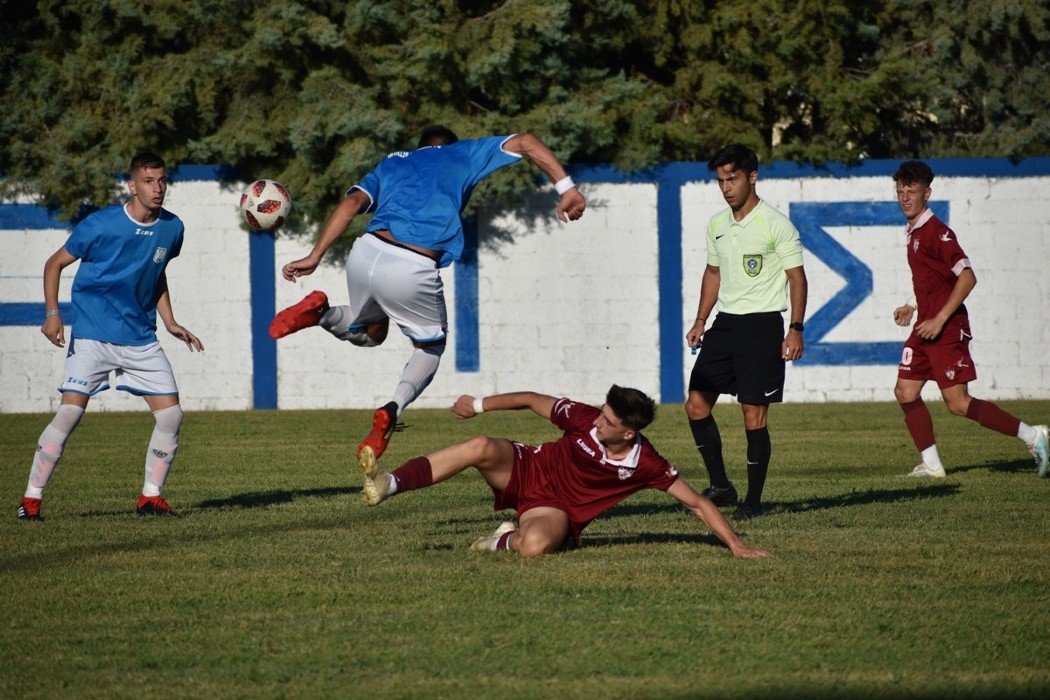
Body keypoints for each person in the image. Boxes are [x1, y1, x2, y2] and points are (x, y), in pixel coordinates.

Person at [269, 125, 586, 471]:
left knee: (372, 332)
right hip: (412, 263)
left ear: (420, 147)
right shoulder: (463, 153)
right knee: (430, 348)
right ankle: (394, 407)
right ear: (450, 145)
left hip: (365, 252)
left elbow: (352, 202)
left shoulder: (392, 162)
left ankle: (321, 314)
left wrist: (315, 255)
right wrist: (566, 188)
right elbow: (526, 142)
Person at [356, 385, 768, 558]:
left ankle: (500, 542)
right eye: (600, 414)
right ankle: (388, 482)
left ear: (629, 431)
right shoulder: (586, 418)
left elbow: (697, 503)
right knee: (481, 445)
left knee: (534, 548)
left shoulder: (646, 464)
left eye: (607, 422)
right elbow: (534, 400)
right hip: (526, 466)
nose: (597, 423)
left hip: (552, 506)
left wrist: (736, 545)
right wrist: (479, 404)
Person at [17, 152, 203, 521]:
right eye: (148, 181)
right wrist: (52, 314)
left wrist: (170, 321)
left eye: (162, 180)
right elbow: (53, 264)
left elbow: (157, 270)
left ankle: (150, 497)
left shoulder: (172, 227)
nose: (158, 188)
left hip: (140, 337)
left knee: (171, 417)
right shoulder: (100, 225)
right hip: (93, 334)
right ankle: (31, 500)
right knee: (70, 412)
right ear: (131, 186)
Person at [890, 160, 1049, 478]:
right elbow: (934, 279)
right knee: (905, 391)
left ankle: (1035, 437)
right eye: (901, 191)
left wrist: (939, 319)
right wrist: (912, 305)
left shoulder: (938, 233)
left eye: (912, 191)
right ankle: (933, 466)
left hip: (946, 329)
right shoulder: (914, 232)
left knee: (958, 403)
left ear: (927, 193)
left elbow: (967, 277)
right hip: (926, 327)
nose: (905, 197)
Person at [683, 144, 808, 521]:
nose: (726, 187)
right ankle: (721, 485)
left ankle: (753, 501)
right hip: (725, 325)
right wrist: (701, 320)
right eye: (721, 180)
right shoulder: (718, 224)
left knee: (753, 416)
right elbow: (713, 273)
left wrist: (795, 329)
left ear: (752, 177)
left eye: (732, 178)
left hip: (762, 326)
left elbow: (796, 278)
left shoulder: (776, 224)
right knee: (695, 405)